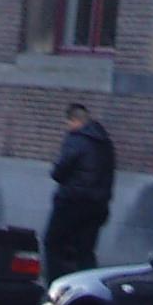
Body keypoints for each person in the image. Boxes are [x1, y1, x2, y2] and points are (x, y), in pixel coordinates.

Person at [44, 102, 115, 283]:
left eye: (68, 123)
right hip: (98, 206)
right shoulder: (105, 143)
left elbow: (59, 172)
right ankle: (89, 286)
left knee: (53, 243)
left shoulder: (76, 140)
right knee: (85, 251)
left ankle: (56, 285)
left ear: (74, 121)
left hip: (72, 202)